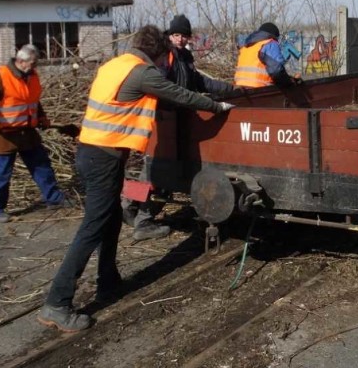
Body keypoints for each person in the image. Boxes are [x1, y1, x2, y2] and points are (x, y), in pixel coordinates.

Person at [38, 25, 234, 333]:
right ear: (157, 53)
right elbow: (180, 95)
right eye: (165, 58)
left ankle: (108, 279)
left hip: (95, 153)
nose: (165, 63)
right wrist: (217, 105)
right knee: (93, 226)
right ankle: (57, 302)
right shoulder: (143, 72)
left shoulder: (115, 64)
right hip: (102, 157)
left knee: (112, 218)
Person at [124, 13, 235, 242]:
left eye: (185, 36)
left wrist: (229, 88)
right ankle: (138, 215)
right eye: (177, 35)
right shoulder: (165, 58)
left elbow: (198, 82)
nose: (181, 39)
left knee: (154, 174)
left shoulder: (184, 56)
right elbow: (162, 88)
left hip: (179, 119)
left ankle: (129, 204)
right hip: (164, 121)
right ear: (170, 35)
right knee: (155, 175)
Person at [0, 45, 67, 222]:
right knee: (3, 173)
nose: (35, 66)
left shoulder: (31, 76)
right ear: (20, 61)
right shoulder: (0, 76)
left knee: (41, 166)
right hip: (4, 135)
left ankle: (53, 198)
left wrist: (42, 117)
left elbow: (32, 101)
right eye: (32, 63)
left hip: (27, 132)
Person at [234, 22, 299, 88]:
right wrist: (288, 82)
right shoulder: (269, 43)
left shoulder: (246, 46)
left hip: (241, 88)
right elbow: (276, 70)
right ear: (274, 35)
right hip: (260, 89)